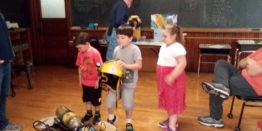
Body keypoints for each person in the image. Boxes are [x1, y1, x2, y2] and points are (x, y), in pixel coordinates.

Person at [198, 48, 262, 128]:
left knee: (216, 85)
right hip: (242, 74)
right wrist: (250, 62)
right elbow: (241, 63)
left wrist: (248, 61)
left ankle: (215, 119)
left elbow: (251, 71)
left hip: (253, 85)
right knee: (221, 63)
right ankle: (222, 87)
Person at [106, 24, 142, 131]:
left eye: (122, 38)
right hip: (116, 80)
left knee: (127, 103)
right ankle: (111, 118)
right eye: (118, 37)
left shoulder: (135, 49)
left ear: (130, 38)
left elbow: (139, 66)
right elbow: (114, 63)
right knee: (110, 100)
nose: (119, 40)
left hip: (129, 81)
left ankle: (129, 121)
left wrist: (126, 65)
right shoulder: (116, 49)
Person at [156, 24, 187, 131]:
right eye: (162, 36)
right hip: (164, 78)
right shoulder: (165, 45)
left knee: (172, 101)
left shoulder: (178, 47)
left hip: (173, 80)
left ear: (174, 36)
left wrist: (172, 76)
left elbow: (182, 64)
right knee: (168, 100)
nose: (162, 38)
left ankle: (172, 126)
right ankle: (171, 119)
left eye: (165, 36)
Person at [74, 32, 103, 124]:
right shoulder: (80, 54)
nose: (79, 50)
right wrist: (80, 79)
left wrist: (98, 80)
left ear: (87, 44)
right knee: (87, 99)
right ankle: (89, 113)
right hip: (85, 82)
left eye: (80, 47)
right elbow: (79, 67)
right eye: (77, 48)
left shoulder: (95, 53)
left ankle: (97, 114)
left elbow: (100, 67)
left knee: (96, 100)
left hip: (95, 82)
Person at [0, 11, 22, 131]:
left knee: (3, 95)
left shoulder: (1, 15)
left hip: (6, 60)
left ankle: (3, 124)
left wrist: (10, 54)